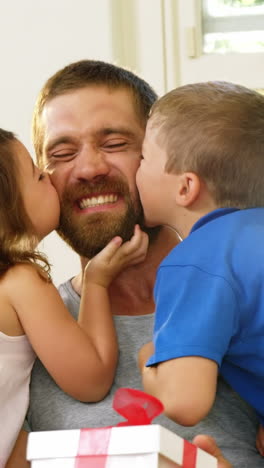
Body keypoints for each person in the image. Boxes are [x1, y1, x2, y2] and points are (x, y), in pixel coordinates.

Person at [8, 61, 263, 467]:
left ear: (166, 161)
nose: (89, 168)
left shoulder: (249, 299)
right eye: (62, 153)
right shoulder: (20, 334)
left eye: (114, 144)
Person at [0, 128, 148, 466]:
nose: (51, 181)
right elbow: (91, 379)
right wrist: (96, 283)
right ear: (9, 206)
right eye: (39, 175)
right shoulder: (21, 281)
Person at [136, 81, 264, 456]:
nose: (136, 170)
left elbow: (184, 401)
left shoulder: (198, 259)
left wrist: (148, 359)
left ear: (185, 187)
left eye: (143, 158)